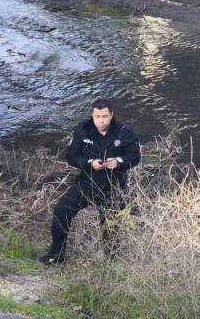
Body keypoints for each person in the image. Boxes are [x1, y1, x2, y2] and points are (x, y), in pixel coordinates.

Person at [40, 98, 141, 264]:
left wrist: (118, 162)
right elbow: (72, 156)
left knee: (110, 227)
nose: (101, 120)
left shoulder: (124, 131)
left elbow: (134, 157)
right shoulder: (83, 130)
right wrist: (89, 163)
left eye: (105, 116)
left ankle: (110, 263)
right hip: (87, 183)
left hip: (113, 187)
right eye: (97, 116)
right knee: (61, 211)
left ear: (111, 115)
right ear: (92, 115)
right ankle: (56, 256)